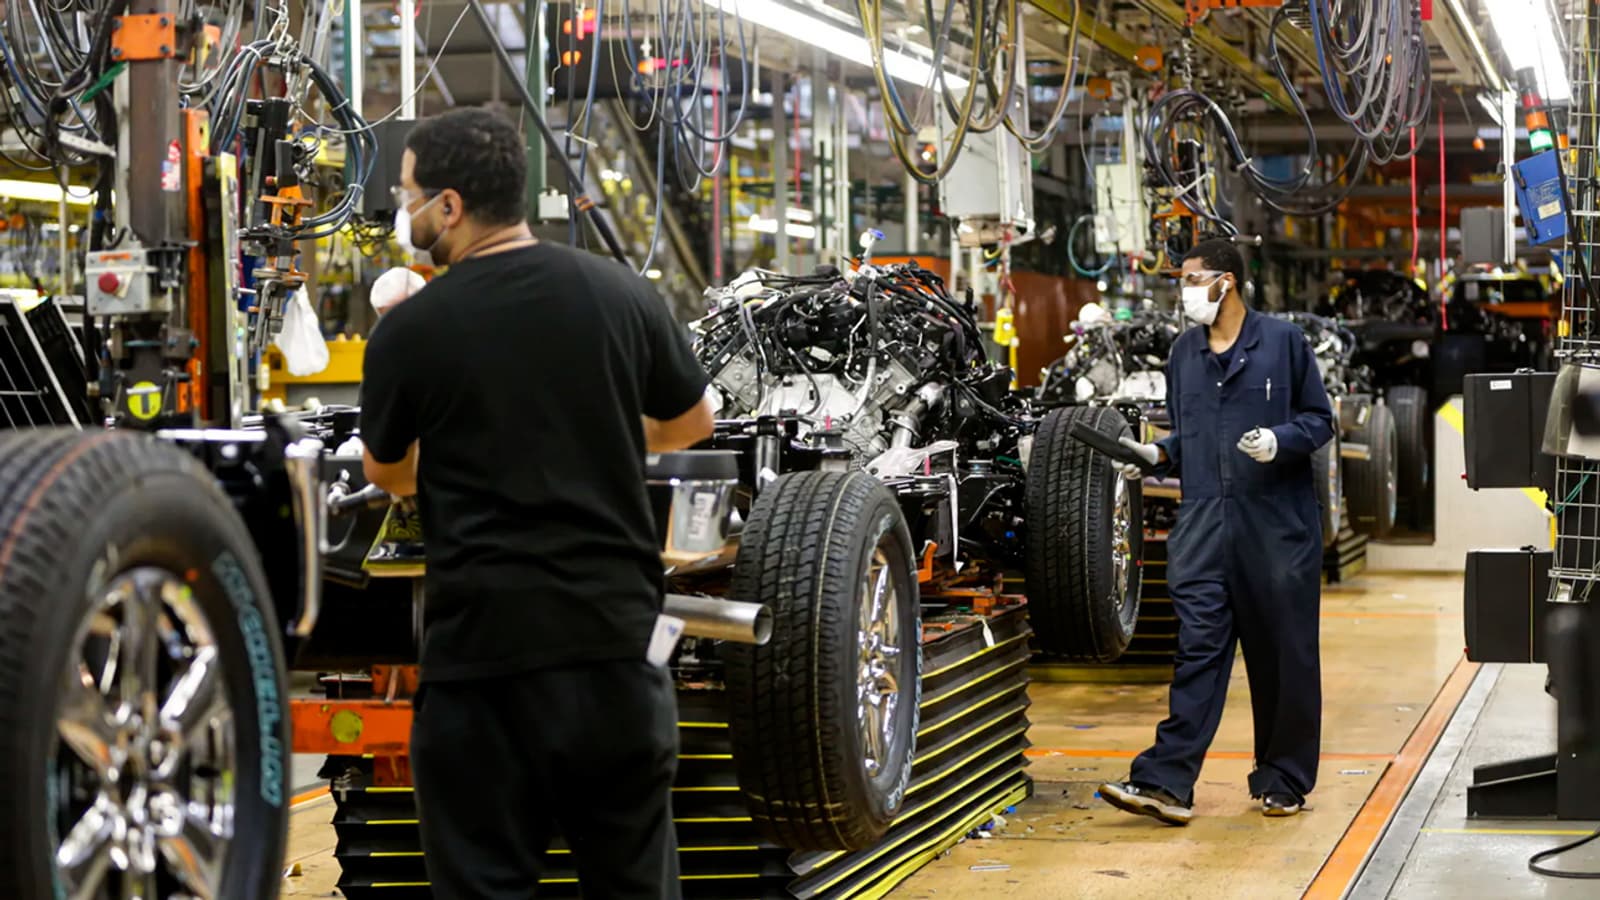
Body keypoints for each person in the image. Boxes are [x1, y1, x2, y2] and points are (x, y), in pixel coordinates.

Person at [359, 107, 714, 899]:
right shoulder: (621, 293)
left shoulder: (413, 330)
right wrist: (601, 438)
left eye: (409, 193)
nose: (404, 210)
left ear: (450, 205)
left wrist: (468, 453)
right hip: (617, 657)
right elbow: (692, 423)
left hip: (484, 670)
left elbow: (387, 471)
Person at [1098, 238, 1334, 826]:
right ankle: (1166, 781)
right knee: (1198, 651)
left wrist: (1281, 440)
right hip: (1204, 526)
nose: (1183, 291)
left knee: (1283, 656)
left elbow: (1319, 420)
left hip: (1275, 527)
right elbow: (1193, 435)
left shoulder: (1283, 342)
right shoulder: (1184, 353)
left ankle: (1283, 777)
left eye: (1191, 279)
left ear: (1225, 282)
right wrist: (1158, 453)